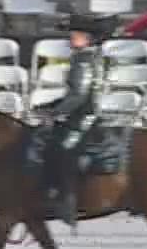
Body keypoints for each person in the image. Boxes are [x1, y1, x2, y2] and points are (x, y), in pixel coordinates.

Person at [39, 13, 114, 226]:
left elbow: (78, 96)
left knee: (61, 149)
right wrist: (53, 105)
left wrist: (53, 113)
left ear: (88, 38)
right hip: (86, 113)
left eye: (76, 34)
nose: (71, 37)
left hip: (83, 118)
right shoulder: (91, 57)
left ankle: (67, 202)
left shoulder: (82, 60)